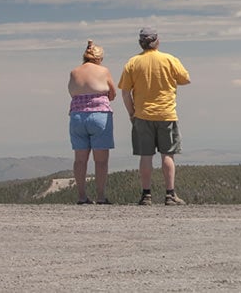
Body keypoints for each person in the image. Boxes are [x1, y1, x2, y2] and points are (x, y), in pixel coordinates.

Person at [118, 27, 191, 206]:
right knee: (168, 155)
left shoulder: (133, 63)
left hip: (142, 115)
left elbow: (126, 93)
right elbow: (185, 79)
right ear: (157, 41)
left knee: (145, 156)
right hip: (166, 114)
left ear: (140, 43)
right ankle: (170, 194)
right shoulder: (169, 59)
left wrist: (132, 114)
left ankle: (146, 195)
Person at [67, 40, 116, 205]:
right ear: (99, 58)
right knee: (101, 160)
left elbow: (72, 92)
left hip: (77, 116)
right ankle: (101, 196)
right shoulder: (103, 71)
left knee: (80, 159)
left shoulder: (74, 72)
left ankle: (82, 196)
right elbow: (113, 92)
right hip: (99, 115)